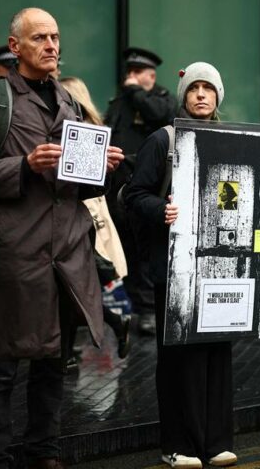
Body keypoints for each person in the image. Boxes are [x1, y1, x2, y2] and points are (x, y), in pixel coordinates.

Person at [0, 7, 124, 469]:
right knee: (1, 364)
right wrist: (24, 165)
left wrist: (101, 169)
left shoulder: (69, 102)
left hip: (67, 251)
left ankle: (43, 451)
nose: (52, 46)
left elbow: (75, 182)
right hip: (14, 251)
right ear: (16, 48)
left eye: (55, 37)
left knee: (53, 360)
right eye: (40, 38)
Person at [125, 62, 260, 469]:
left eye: (208, 88)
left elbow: (241, 195)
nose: (201, 94)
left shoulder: (233, 140)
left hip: (221, 268)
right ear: (183, 97)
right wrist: (161, 209)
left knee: (217, 354)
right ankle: (176, 445)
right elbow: (133, 194)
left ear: (218, 97)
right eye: (193, 88)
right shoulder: (164, 141)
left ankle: (215, 443)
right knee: (179, 359)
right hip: (175, 270)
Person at [60, 75, 133, 363]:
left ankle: (70, 349)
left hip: (84, 219)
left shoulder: (82, 130)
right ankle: (72, 347)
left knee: (71, 287)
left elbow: (83, 188)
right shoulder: (91, 127)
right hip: (87, 218)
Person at [106, 46, 176, 336]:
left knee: (146, 250)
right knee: (125, 251)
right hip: (120, 187)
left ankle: (149, 311)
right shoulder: (120, 101)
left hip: (151, 188)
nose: (132, 78)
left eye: (139, 73)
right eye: (130, 72)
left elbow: (161, 116)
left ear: (152, 75)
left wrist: (136, 93)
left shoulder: (162, 99)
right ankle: (134, 308)